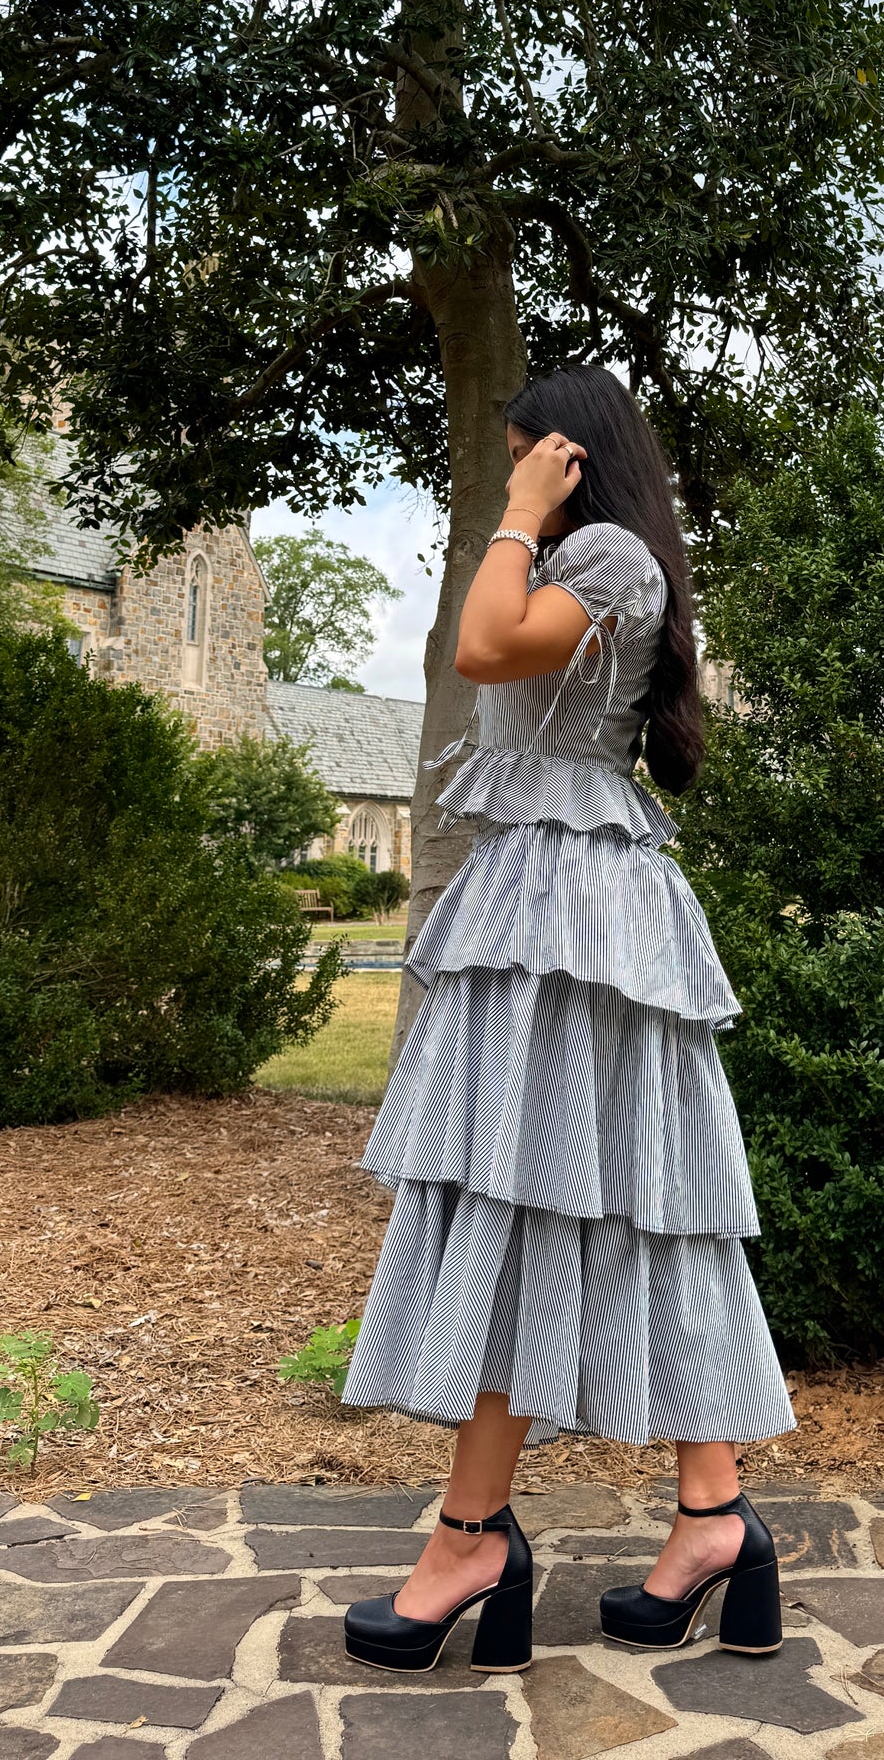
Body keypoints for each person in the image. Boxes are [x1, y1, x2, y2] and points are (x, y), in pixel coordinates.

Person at [340, 364, 795, 1675]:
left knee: (533, 1197)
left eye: (523, 450)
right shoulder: (593, 553)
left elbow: (485, 648)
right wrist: (518, 518)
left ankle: (472, 1537)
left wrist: (514, 514)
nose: (507, 472)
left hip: (569, 914)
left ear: (569, 453)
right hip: (550, 897)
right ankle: (711, 1517)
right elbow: (490, 657)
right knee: (599, 1206)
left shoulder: (598, 554)